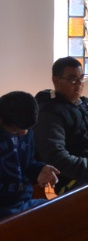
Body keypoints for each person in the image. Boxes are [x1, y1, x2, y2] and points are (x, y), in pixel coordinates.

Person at [34, 57, 88, 193]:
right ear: (56, 80)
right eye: (72, 79)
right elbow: (56, 157)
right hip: (76, 179)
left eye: (82, 78)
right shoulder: (49, 112)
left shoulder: (87, 105)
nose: (79, 84)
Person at [0, 91, 59, 220]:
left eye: (28, 129)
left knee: (60, 212)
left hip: (23, 203)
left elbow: (27, 164)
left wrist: (40, 169)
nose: (24, 133)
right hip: (3, 210)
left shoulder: (24, 127)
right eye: (16, 130)